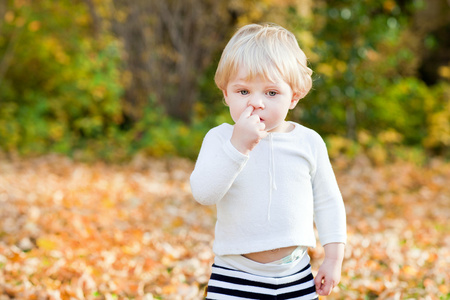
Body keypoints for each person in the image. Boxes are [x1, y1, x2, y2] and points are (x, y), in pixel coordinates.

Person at [190, 23, 346, 299]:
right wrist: (238, 146)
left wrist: (333, 258)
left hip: (295, 274)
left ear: (294, 97)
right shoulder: (221, 139)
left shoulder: (308, 142)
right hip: (234, 276)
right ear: (226, 93)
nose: (257, 103)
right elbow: (204, 193)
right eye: (243, 91)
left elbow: (328, 201)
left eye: (271, 93)